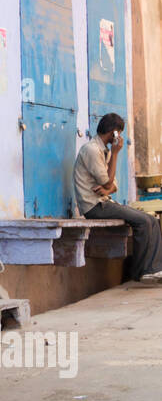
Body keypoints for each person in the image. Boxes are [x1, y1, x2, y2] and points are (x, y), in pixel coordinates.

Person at [73, 112, 162, 284]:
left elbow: (113, 184)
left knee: (151, 219)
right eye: (119, 132)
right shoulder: (92, 150)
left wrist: (107, 189)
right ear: (114, 132)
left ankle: (154, 268)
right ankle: (142, 270)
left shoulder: (101, 150)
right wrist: (115, 155)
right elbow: (108, 182)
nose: (120, 136)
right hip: (94, 207)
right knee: (143, 222)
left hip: (103, 202)